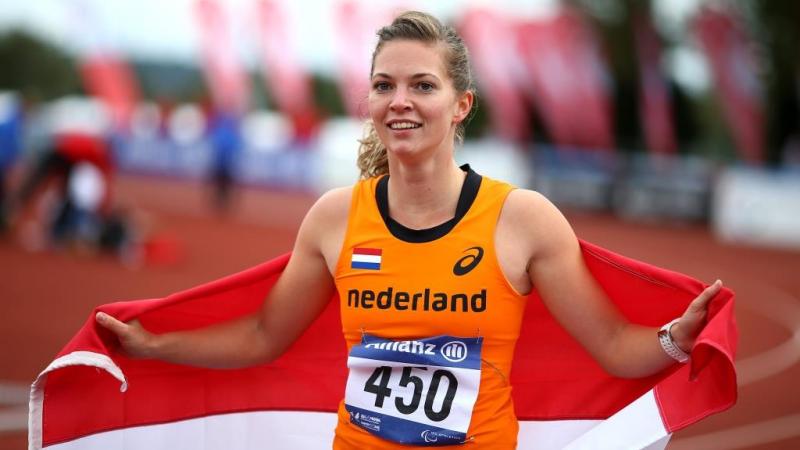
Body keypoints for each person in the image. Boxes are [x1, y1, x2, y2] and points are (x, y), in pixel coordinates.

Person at [95, 11, 723, 449]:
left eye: (423, 85)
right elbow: (264, 336)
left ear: (461, 105)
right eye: (383, 85)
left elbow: (614, 345)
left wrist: (678, 338)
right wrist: (153, 345)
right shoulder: (336, 217)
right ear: (367, 103)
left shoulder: (521, 220)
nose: (400, 101)